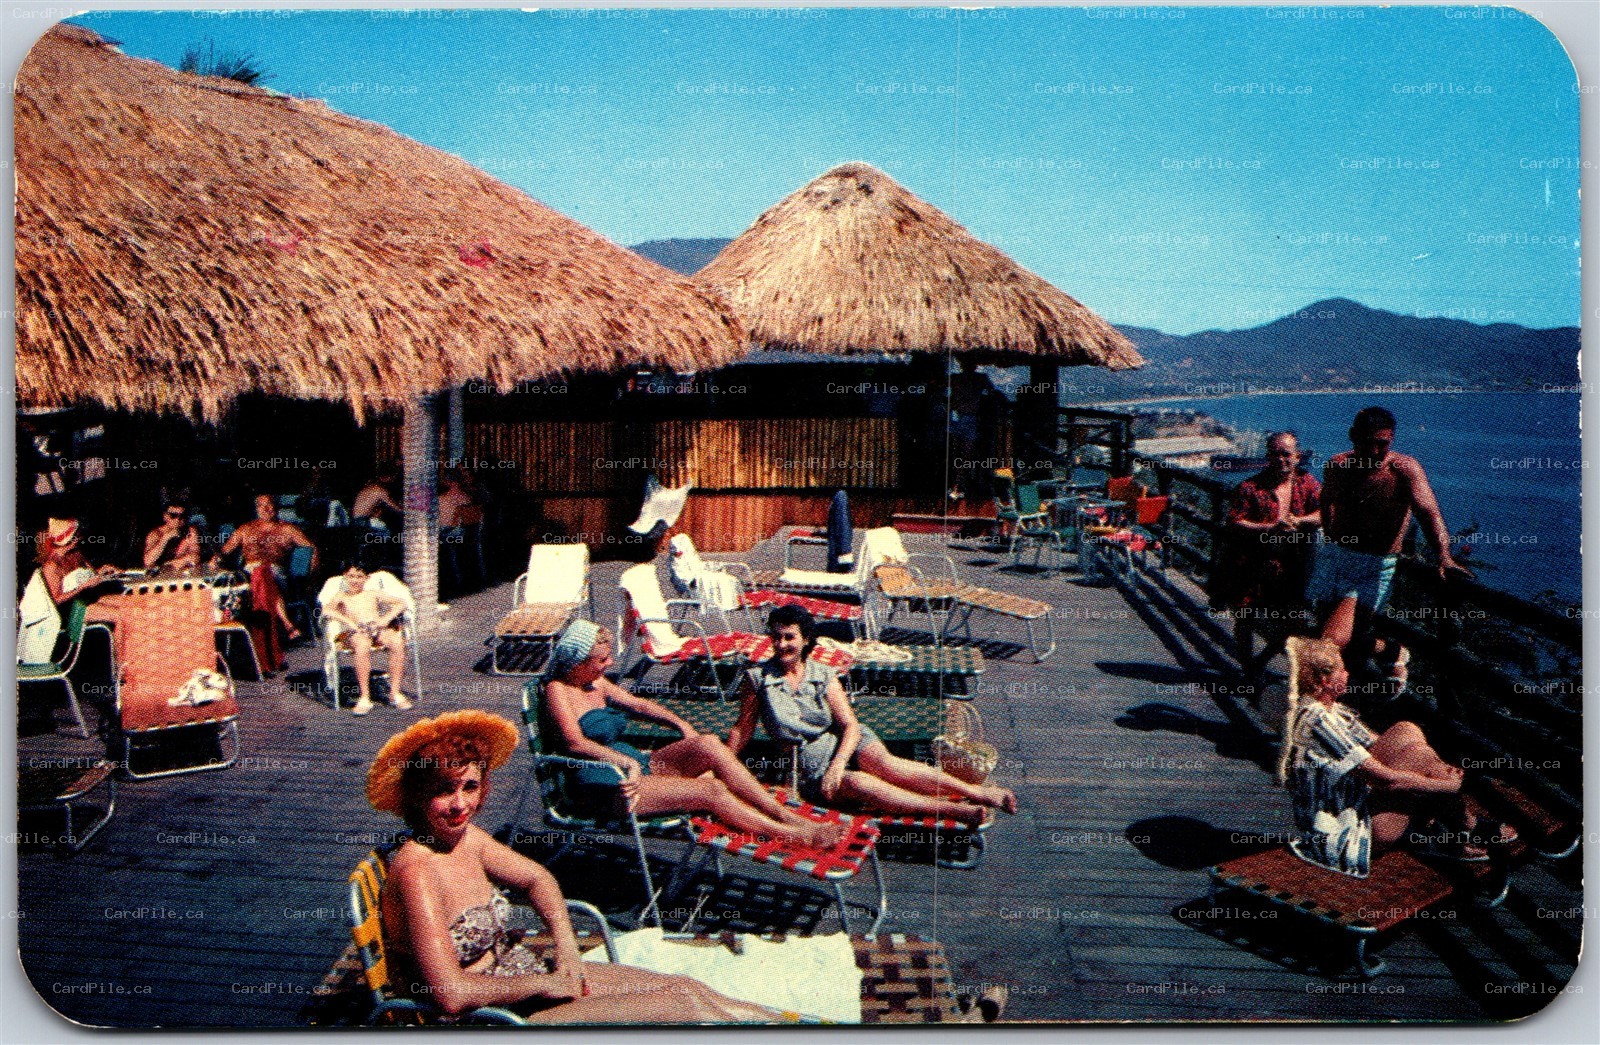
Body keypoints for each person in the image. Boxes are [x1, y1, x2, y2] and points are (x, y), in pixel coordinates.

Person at [368, 710, 790, 1023]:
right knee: (686, 1009)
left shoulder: (467, 838)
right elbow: (448, 994)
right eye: (444, 791)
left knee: (685, 987)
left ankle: (792, 1024)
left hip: (516, 981)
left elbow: (538, 878)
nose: (461, 804)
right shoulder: (417, 870)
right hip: (487, 1018)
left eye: (470, 786)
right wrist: (547, 983)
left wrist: (565, 947)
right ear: (417, 795)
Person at [543, 621, 847, 849]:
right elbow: (575, 742)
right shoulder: (559, 690)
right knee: (710, 791)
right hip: (605, 783)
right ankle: (791, 834)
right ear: (577, 663)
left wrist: (681, 726)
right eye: (601, 660)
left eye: (608, 657)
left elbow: (639, 705)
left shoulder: (595, 684)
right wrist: (628, 763)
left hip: (632, 764)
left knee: (708, 743)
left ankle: (782, 813)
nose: (609, 664)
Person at [733, 605, 1017, 829]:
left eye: (789, 637)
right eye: (776, 637)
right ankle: (954, 810)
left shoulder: (821, 674)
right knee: (858, 784)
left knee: (885, 764)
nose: (781, 644)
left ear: (805, 639)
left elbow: (849, 724)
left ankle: (976, 792)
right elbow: (742, 730)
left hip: (844, 742)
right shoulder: (759, 679)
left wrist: (839, 762)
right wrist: (721, 763)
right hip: (810, 761)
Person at [1282, 637, 1514, 876]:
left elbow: (1383, 746)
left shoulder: (1333, 711)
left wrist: (1435, 768)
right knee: (1417, 759)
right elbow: (1388, 780)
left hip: (1354, 804)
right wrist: (1452, 784)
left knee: (1406, 730)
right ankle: (1462, 829)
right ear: (1324, 680)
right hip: (1348, 831)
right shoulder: (1317, 721)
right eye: (1342, 669)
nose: (1347, 673)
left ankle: (1456, 829)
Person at [1311, 407, 1468, 692]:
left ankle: (1321, 703)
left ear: (1392, 439)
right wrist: (1330, 532)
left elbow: (1428, 512)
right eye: (1366, 442)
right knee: (1328, 637)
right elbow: (1326, 500)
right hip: (1334, 557)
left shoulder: (1404, 470)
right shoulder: (1337, 466)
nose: (1374, 450)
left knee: (1330, 643)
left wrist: (1443, 557)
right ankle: (1393, 652)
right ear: (1352, 437)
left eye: (1382, 443)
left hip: (1373, 565)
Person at [1211, 433, 1321, 683]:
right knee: (1245, 618)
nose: (1282, 459)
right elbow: (1235, 522)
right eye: (1276, 453)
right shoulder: (1249, 488)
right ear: (1268, 456)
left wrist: (1300, 520)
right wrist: (1269, 527)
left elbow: (1324, 512)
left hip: (1291, 565)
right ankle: (1248, 667)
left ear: (1297, 456)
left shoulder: (1308, 483)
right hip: (1252, 563)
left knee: (1294, 622)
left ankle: (1261, 661)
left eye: (1287, 454)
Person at [214, 494, 318, 671]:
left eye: (270, 505)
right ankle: (287, 624)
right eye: (261, 505)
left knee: (264, 575)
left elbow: (312, 549)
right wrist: (214, 561)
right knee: (260, 576)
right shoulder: (246, 529)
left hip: (276, 573)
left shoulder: (288, 529)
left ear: (276, 507)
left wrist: (310, 578)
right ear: (256, 508)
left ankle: (263, 650)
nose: (266, 509)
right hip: (248, 574)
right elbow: (224, 552)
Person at [18, 517, 119, 664]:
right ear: (68, 539)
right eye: (76, 534)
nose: (80, 537)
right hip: (71, 610)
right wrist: (83, 587)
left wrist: (102, 571)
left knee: (127, 608)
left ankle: (129, 660)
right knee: (119, 616)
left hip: (86, 599)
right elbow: (56, 600)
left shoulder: (76, 554)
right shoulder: (52, 566)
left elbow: (90, 575)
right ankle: (120, 669)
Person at [321, 563, 414, 715]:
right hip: (355, 632)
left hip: (376, 628)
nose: (355, 581)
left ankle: (394, 693)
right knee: (362, 644)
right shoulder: (341, 595)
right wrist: (349, 622)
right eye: (351, 576)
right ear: (345, 576)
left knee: (397, 641)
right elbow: (327, 610)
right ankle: (365, 697)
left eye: (359, 577)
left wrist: (385, 619)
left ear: (366, 578)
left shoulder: (372, 593)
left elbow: (401, 603)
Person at [143, 501, 203, 572]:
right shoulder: (155, 534)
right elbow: (148, 561)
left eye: (182, 516)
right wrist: (165, 538)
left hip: (180, 573)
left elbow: (195, 557)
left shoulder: (190, 531)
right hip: (158, 574)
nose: (177, 519)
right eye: (173, 515)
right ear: (165, 517)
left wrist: (171, 563)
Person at [353, 465, 403, 530]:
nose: (394, 479)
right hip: (363, 521)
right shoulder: (380, 491)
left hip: (356, 521)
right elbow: (394, 508)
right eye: (393, 477)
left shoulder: (368, 488)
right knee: (386, 533)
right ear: (387, 477)